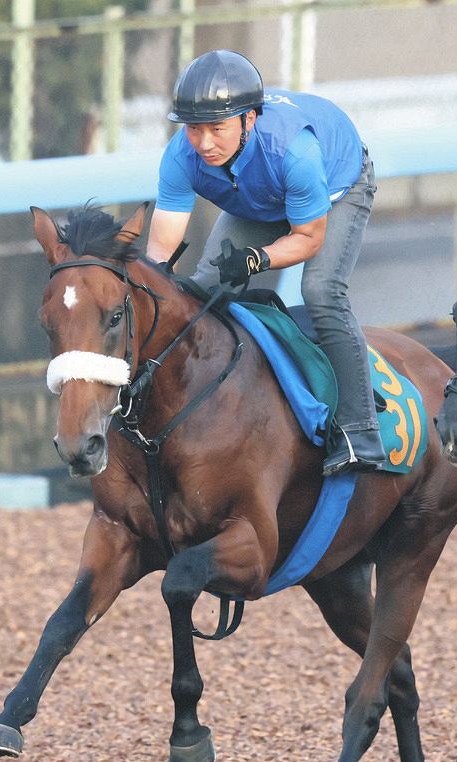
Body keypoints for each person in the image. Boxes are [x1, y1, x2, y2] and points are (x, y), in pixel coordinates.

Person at [146, 49, 386, 475]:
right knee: (204, 288)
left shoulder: (295, 152)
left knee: (320, 291)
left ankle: (361, 430)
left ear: (249, 120)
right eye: (194, 129)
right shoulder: (180, 156)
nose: (203, 144)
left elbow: (307, 240)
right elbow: (160, 256)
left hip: (336, 186)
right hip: (258, 196)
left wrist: (258, 258)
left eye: (217, 129)